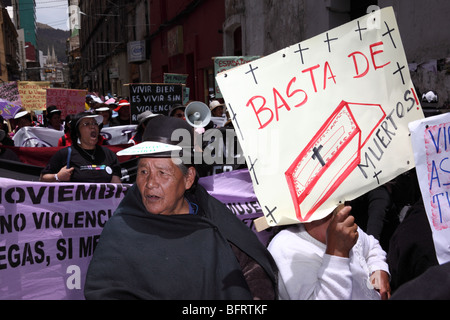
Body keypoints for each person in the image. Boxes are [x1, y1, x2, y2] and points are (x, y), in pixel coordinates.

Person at [84, 116, 278, 300]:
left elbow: (253, 270)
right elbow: (103, 290)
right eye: (144, 171)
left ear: (188, 178)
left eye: (162, 173)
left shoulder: (213, 220)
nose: (150, 183)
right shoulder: (122, 228)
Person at [268, 204, 390, 300]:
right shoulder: (288, 248)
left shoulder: (345, 228)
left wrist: (378, 270)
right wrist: (337, 254)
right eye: (329, 210)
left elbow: (371, 246)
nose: (343, 211)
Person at [40, 111, 122, 183]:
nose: (92, 126)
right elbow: (42, 178)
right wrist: (57, 177)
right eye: (86, 124)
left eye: (94, 123)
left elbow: (116, 186)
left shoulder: (108, 154)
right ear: (77, 132)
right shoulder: (65, 154)